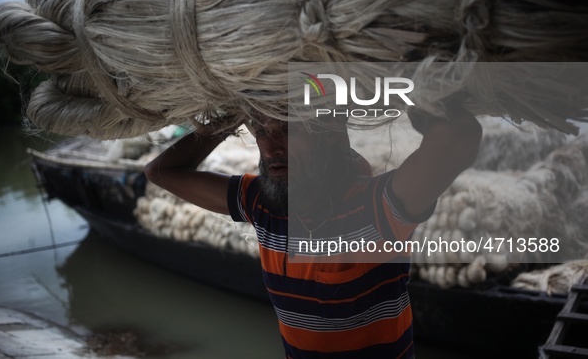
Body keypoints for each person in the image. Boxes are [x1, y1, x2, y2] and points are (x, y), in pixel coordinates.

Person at [145, 106, 482, 358]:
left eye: (289, 129)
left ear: (331, 132)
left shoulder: (375, 210)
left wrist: (413, 95)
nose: (272, 146)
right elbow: (159, 171)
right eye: (260, 129)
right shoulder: (263, 205)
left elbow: (459, 137)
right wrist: (229, 120)